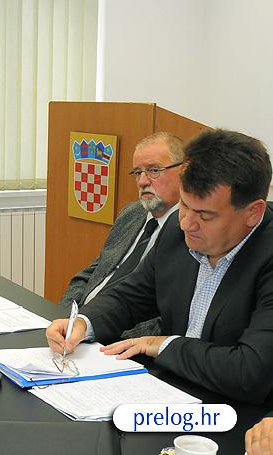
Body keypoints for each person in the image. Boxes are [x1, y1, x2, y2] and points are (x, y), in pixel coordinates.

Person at [46, 129, 273, 404]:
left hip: (238, 411)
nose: (186, 224)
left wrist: (162, 345)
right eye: (185, 205)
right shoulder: (176, 229)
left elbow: (249, 373)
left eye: (205, 216)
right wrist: (83, 323)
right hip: (169, 389)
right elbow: (131, 297)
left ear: (253, 213)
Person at [59, 132, 183, 337]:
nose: (142, 181)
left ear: (184, 171)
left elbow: (166, 317)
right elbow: (91, 273)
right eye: (137, 172)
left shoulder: (189, 233)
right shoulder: (132, 213)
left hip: (119, 340)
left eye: (154, 170)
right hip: (79, 327)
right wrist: (67, 318)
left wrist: (108, 340)